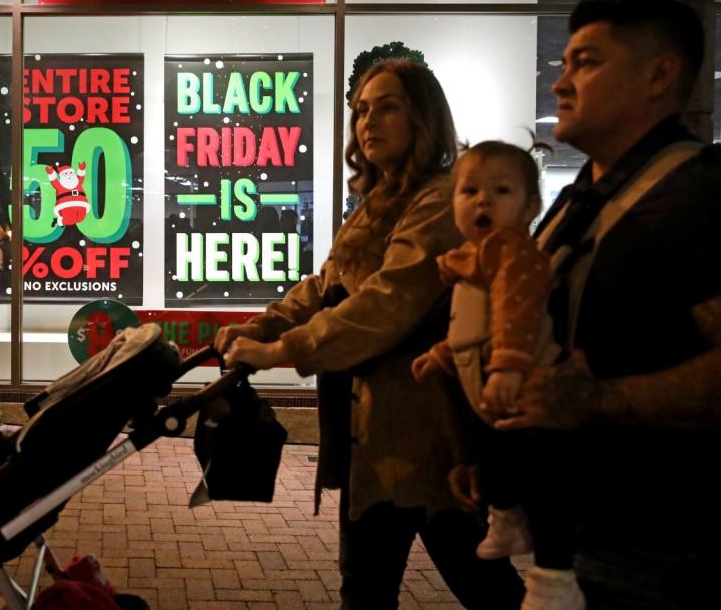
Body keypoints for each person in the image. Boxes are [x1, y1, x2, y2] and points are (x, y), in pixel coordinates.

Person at [215, 60, 524, 609]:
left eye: (387, 106)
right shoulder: (378, 201)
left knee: (483, 586)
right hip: (373, 435)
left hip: (432, 437)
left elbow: (383, 304)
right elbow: (328, 287)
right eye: (360, 109)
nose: (368, 121)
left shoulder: (440, 201)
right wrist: (260, 324)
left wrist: (282, 349)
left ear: (423, 117)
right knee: (366, 589)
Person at [481, 0, 721, 608]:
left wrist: (599, 399)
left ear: (659, 74)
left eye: (585, 62)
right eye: (563, 62)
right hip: (580, 539)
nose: (560, 82)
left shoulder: (698, 194)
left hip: (663, 551)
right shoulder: (578, 197)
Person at [411, 141, 583, 609]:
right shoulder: (478, 258)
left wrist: (507, 365)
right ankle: (507, 518)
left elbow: (514, 314)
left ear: (530, 206)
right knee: (499, 461)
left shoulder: (510, 253)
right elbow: (475, 327)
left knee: (542, 478)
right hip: (489, 390)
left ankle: (553, 574)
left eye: (500, 190)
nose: (482, 200)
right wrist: (443, 354)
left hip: (519, 386)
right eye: (469, 191)